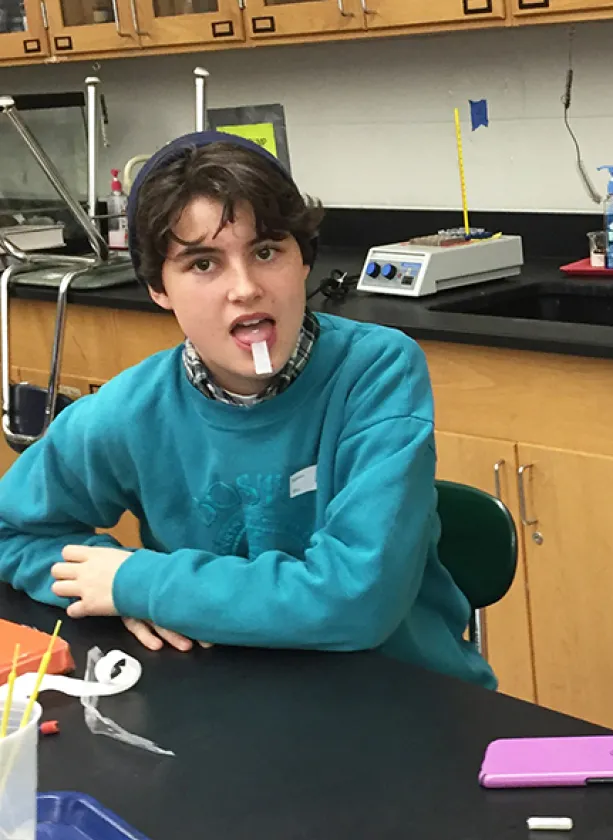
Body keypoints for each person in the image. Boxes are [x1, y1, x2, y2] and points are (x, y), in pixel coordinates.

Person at [0, 131, 495, 691]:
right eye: (203, 264)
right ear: (158, 289)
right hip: (223, 710)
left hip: (404, 702)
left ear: (303, 259)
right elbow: (11, 530)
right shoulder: (130, 410)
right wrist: (112, 589)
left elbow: (358, 600)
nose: (245, 289)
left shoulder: (375, 373)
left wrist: (145, 581)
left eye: (265, 252)